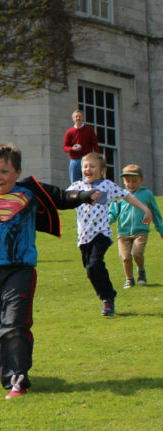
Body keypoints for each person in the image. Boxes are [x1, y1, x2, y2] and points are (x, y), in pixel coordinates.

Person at [0, 143, 98, 399]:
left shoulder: (29, 194)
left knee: (14, 325)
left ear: (18, 171)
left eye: (5, 172)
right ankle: (12, 349)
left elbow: (61, 197)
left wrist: (86, 196)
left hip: (21, 270)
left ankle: (16, 378)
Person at [66, 153, 151, 316]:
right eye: (85, 166)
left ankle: (107, 299)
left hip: (101, 234)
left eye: (92, 166)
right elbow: (61, 199)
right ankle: (106, 295)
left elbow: (127, 196)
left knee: (95, 264)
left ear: (103, 170)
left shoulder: (107, 186)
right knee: (90, 270)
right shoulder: (76, 187)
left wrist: (145, 209)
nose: (87, 169)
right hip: (84, 238)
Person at [108, 164, 163, 288]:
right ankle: (129, 279)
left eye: (134, 181)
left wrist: (160, 229)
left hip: (141, 231)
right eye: (127, 181)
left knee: (137, 253)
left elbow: (155, 212)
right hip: (123, 233)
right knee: (125, 257)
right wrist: (107, 221)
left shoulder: (146, 194)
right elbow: (113, 212)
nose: (131, 184)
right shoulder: (120, 195)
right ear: (123, 181)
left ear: (141, 180)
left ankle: (141, 271)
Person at [63, 110, 100, 183]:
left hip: (86, 159)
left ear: (83, 118)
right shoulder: (69, 132)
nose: (78, 118)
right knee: (74, 181)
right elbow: (65, 147)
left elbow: (95, 143)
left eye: (80, 116)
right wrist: (72, 149)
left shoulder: (89, 129)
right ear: (73, 119)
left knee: (87, 180)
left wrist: (97, 156)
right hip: (74, 160)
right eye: (76, 117)